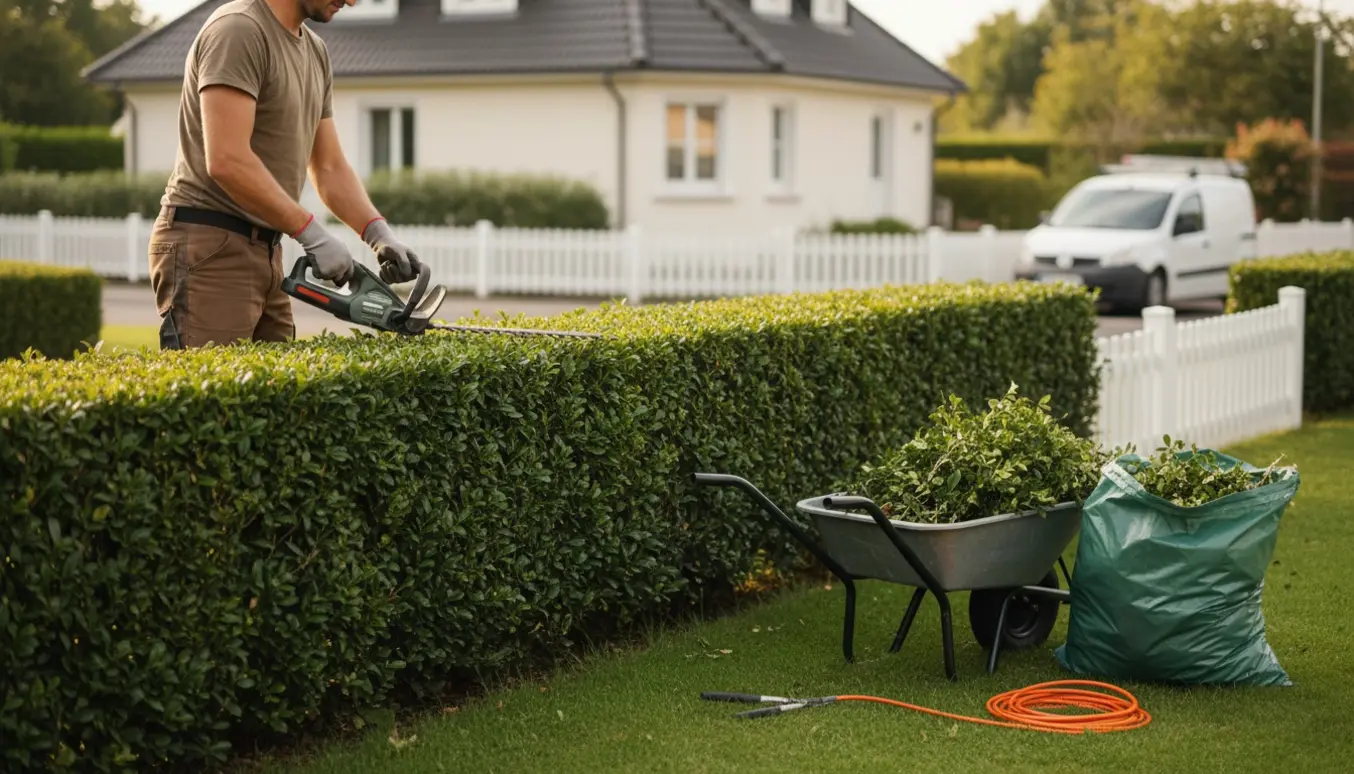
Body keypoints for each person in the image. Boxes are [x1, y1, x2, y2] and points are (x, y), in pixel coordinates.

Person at [147, 0, 423, 350]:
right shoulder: (239, 30)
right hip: (209, 246)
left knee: (275, 400)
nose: (352, 1)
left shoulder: (315, 51)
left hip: (267, 249)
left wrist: (379, 234)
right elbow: (227, 160)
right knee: (215, 400)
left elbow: (329, 167)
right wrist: (312, 234)